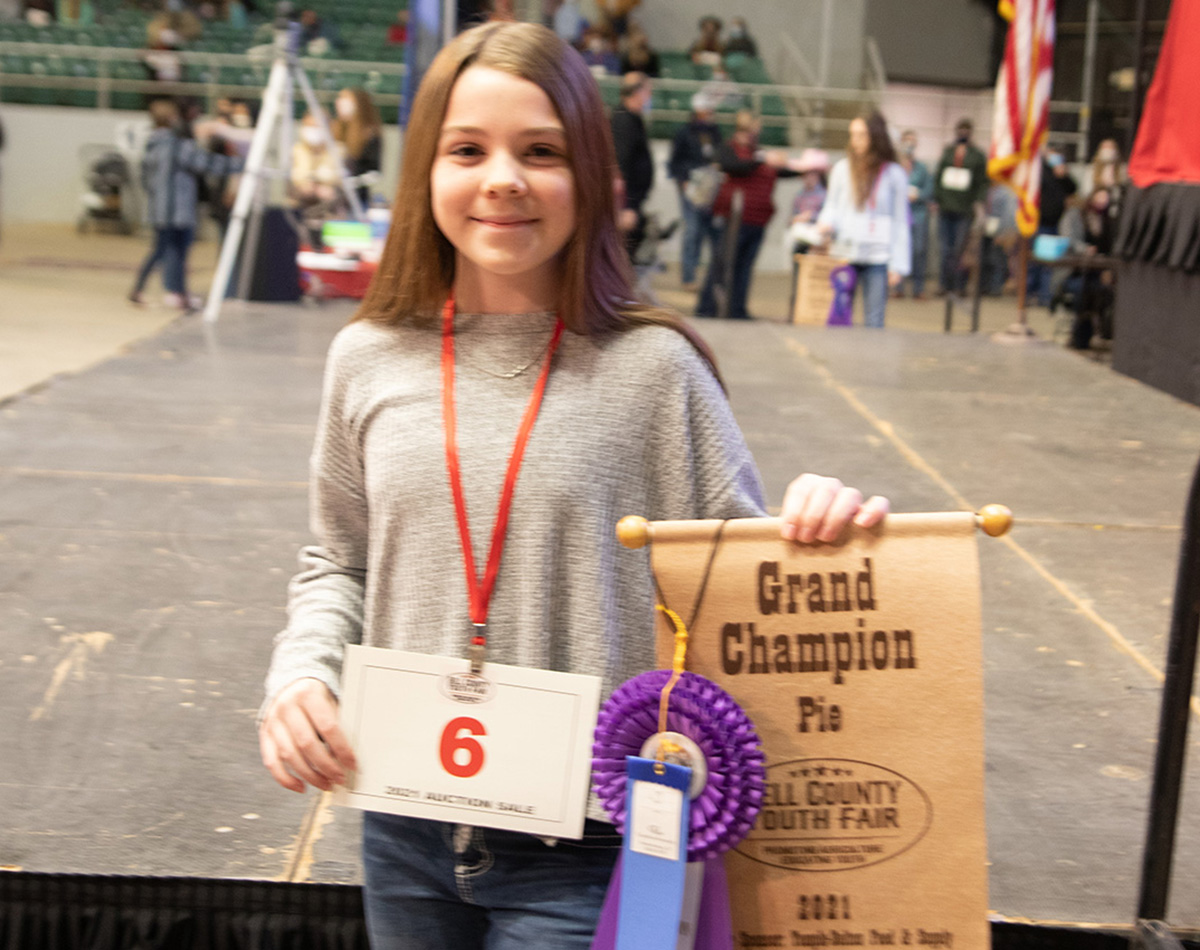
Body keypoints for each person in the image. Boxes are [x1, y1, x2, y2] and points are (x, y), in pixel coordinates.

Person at [256, 21, 888, 950]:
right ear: (425, 172)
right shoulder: (365, 360)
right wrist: (300, 676)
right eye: (467, 149)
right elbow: (337, 562)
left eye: (541, 152)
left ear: (591, 176)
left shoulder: (655, 370)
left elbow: (744, 591)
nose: (503, 177)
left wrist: (812, 530)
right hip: (403, 829)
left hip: (590, 845)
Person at [129, 98, 243, 311]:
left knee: (162, 250)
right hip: (177, 210)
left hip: (159, 209)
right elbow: (207, 163)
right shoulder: (177, 145)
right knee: (175, 252)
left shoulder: (152, 144)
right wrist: (242, 164)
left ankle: (160, 291)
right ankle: (171, 293)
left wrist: (156, 197)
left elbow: (144, 178)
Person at [695, 110, 802, 320]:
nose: (754, 135)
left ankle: (737, 309)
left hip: (757, 220)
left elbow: (780, 171)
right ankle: (707, 307)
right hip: (732, 220)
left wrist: (805, 168)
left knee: (744, 268)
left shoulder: (758, 154)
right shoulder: (729, 150)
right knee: (721, 264)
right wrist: (762, 159)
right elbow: (735, 166)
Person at [816, 112, 911, 328]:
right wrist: (826, 222)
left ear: (876, 137)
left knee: (874, 321)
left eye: (861, 135)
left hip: (879, 256)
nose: (855, 141)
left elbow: (900, 221)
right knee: (839, 316)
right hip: (846, 252)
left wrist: (898, 264)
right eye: (853, 135)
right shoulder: (842, 169)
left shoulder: (894, 174)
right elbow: (832, 205)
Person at [667, 91, 721, 289]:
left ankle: (700, 275)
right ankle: (688, 276)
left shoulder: (714, 132)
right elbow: (675, 161)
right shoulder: (685, 132)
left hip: (708, 187)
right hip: (690, 186)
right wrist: (683, 181)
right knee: (692, 230)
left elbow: (718, 155)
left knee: (705, 231)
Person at [932, 117, 988, 296]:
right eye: (960, 130)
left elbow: (982, 182)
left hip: (964, 209)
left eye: (966, 130)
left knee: (960, 249)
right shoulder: (948, 152)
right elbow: (939, 177)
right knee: (945, 249)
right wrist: (936, 199)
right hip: (945, 207)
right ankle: (944, 284)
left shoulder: (977, 156)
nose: (963, 134)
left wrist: (978, 202)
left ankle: (959, 286)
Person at [1058, 186, 1116, 350]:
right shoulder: (1076, 215)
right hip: (1075, 272)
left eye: (1106, 198)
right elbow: (1068, 239)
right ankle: (1078, 336)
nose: (1103, 201)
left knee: (1105, 293)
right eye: (1100, 196)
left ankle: (1097, 333)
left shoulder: (1107, 221)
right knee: (1082, 292)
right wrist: (1084, 249)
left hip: (1098, 272)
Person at [609, 71, 653, 260]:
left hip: (633, 200)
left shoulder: (632, 118)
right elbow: (621, 164)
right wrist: (626, 206)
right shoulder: (623, 120)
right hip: (626, 203)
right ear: (638, 92)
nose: (649, 97)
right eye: (648, 92)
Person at [1027, 145, 1077, 307]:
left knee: (1049, 262)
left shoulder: (1061, 174)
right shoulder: (1040, 172)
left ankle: (1044, 296)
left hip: (1055, 224)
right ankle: (1029, 294)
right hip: (1039, 223)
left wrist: (1063, 175)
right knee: (1035, 260)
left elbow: (1073, 188)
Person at [332, 87, 383, 206]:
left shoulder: (370, 135)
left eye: (346, 99)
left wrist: (353, 182)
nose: (340, 103)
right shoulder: (336, 130)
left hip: (356, 199)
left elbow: (375, 173)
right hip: (332, 196)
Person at [896, 129, 932, 299]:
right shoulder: (894, 167)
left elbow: (930, 190)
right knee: (899, 250)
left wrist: (918, 195)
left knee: (918, 251)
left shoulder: (922, 168)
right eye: (906, 141)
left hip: (918, 215)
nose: (909, 145)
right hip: (899, 216)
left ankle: (919, 288)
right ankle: (898, 287)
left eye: (912, 141)